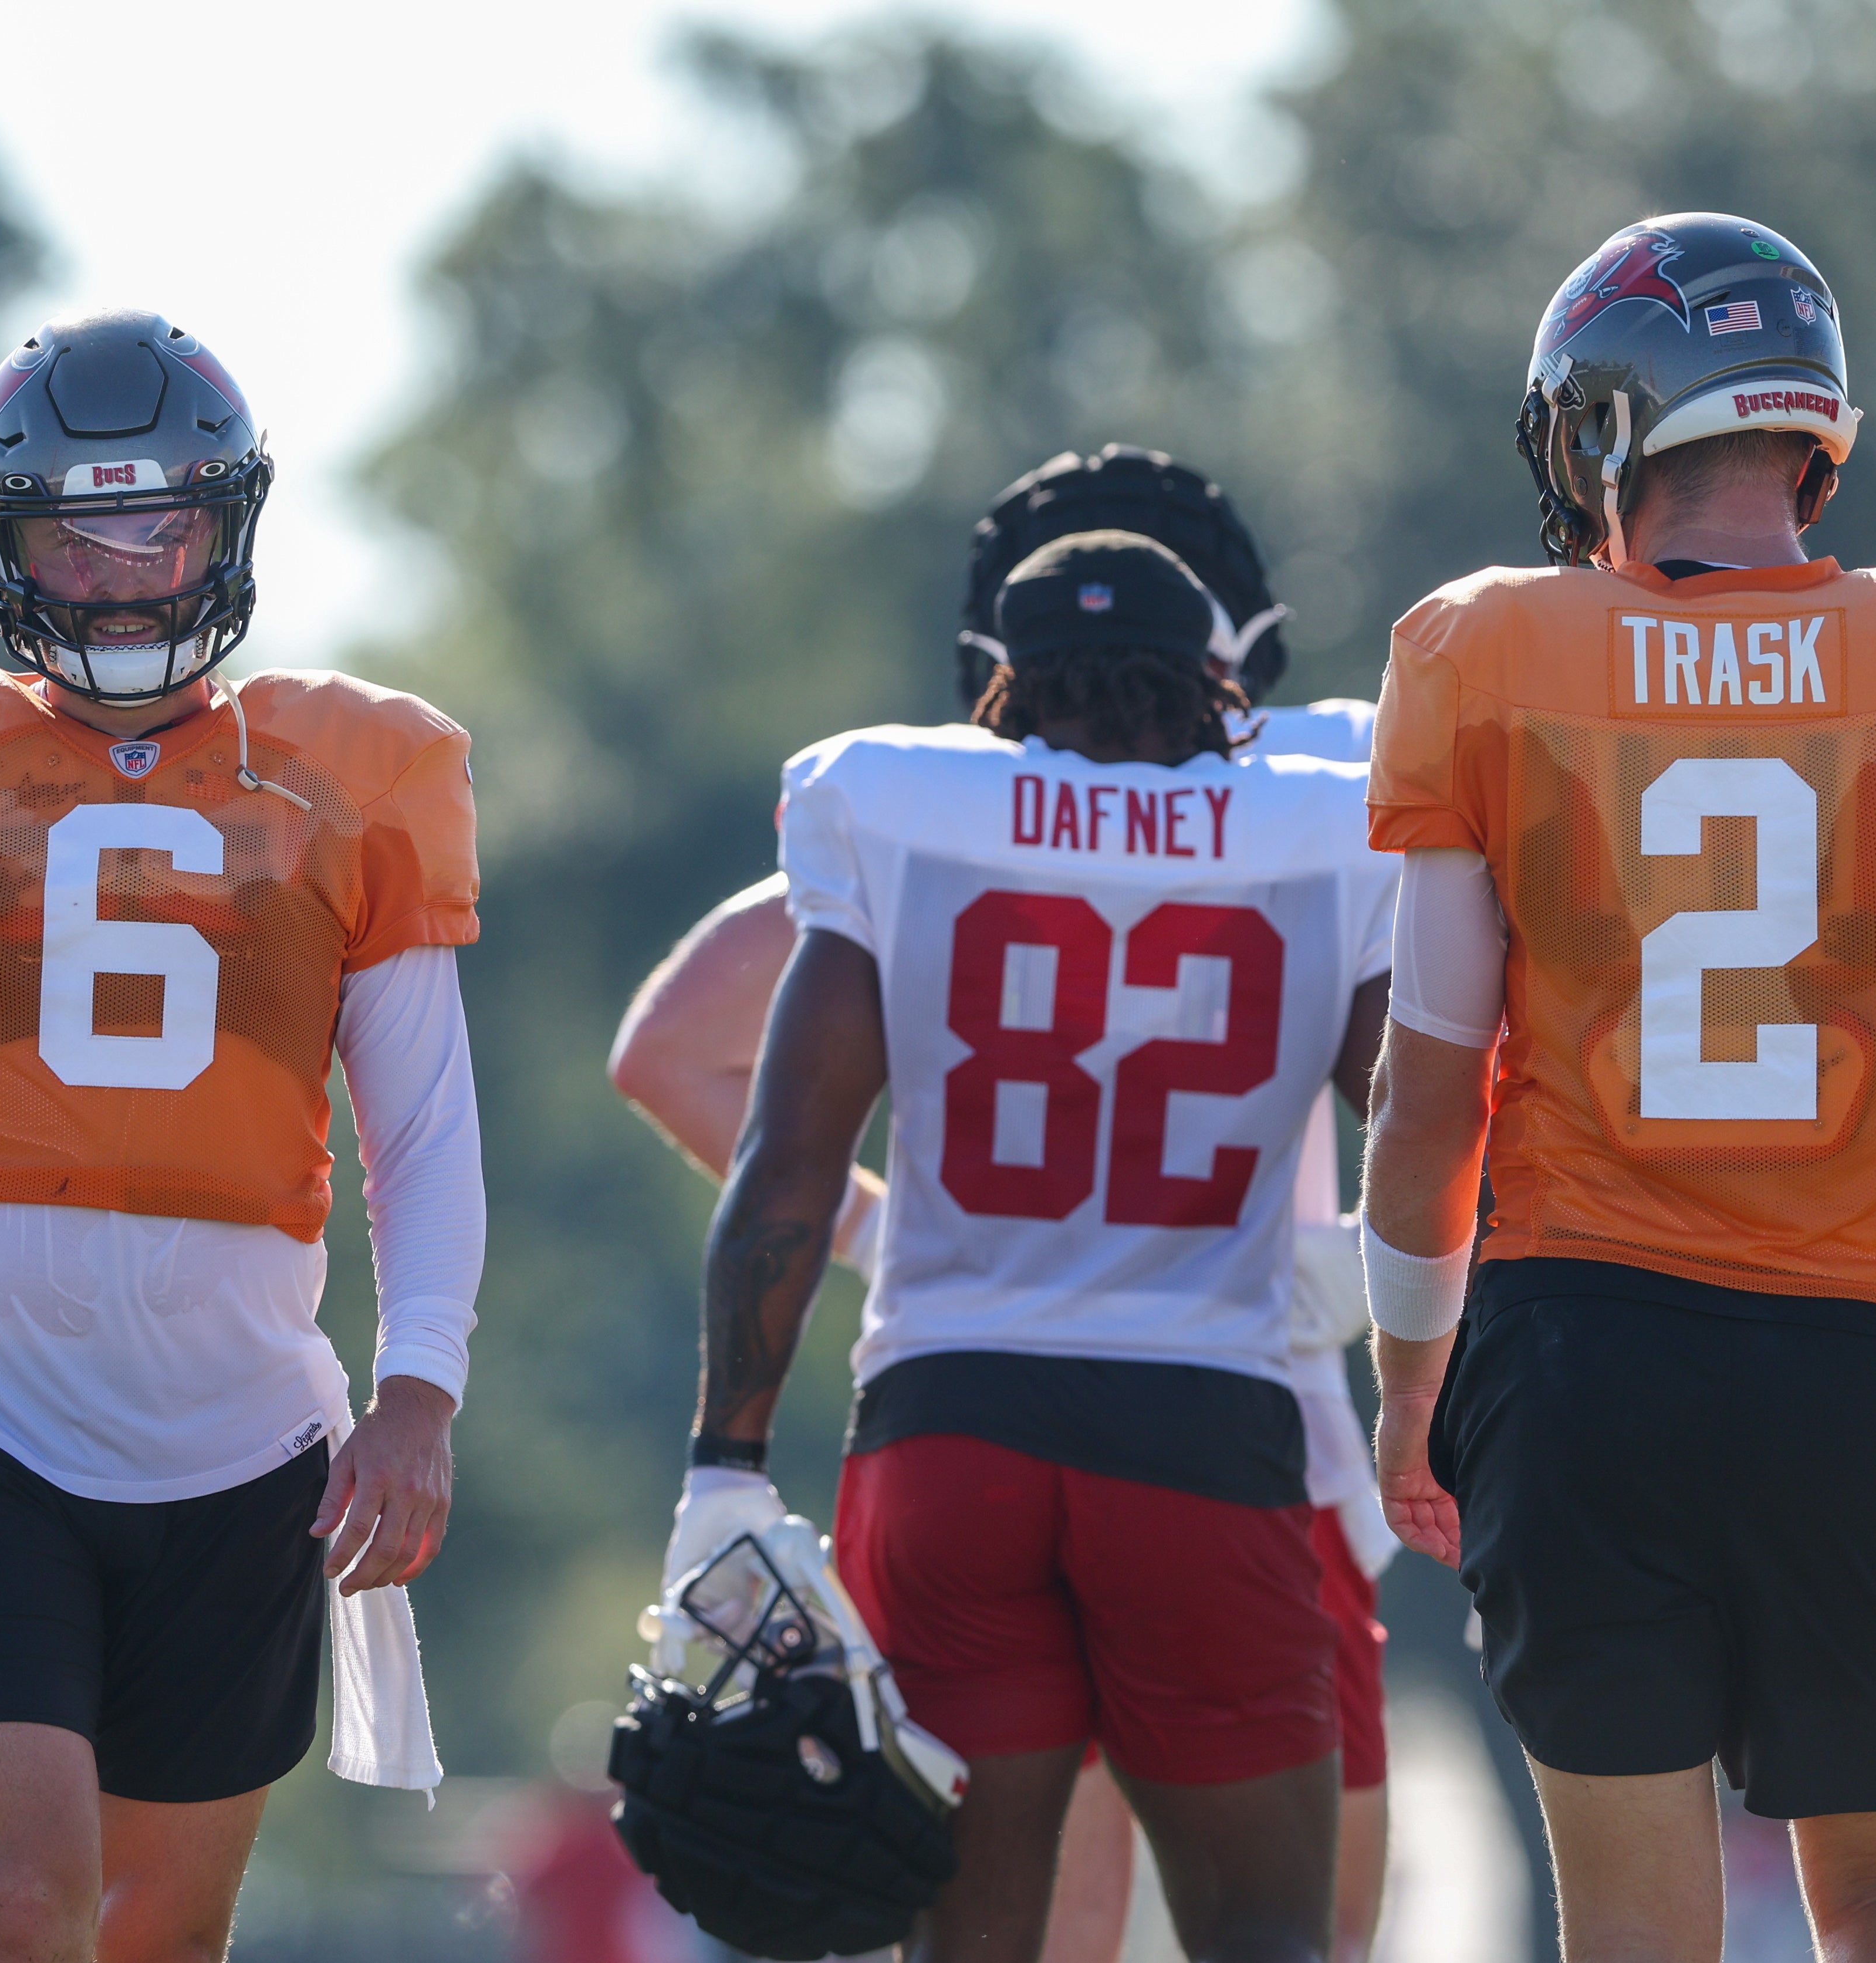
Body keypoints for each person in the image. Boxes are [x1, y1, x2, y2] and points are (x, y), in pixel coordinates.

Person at [1360, 213, 1876, 1962]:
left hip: (1576, 1357)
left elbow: (1428, 1100)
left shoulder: (1484, 652)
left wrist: (1408, 1381)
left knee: (1635, 1939)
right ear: (1807, 427)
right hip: (1849, 1358)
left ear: (1610, 424)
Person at [0, 310, 483, 1963]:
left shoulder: (360, 767)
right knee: (22, 1899)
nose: (124, 576)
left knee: (158, 1932)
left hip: (239, 1440)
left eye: (161, 526)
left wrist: (419, 1388)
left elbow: (416, 1128)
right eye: (78, 530)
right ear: (7, 542)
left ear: (230, 526)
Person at [612, 447, 1397, 1963]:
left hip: (947, 1426)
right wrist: (1380, 1292)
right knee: (1267, 1934)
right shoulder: (1318, 821)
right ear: (1218, 693)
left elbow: (784, 1156)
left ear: (1000, 692)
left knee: (967, 1948)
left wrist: (722, 1467)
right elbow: (1444, 1130)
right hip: (1204, 1427)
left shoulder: (900, 804)